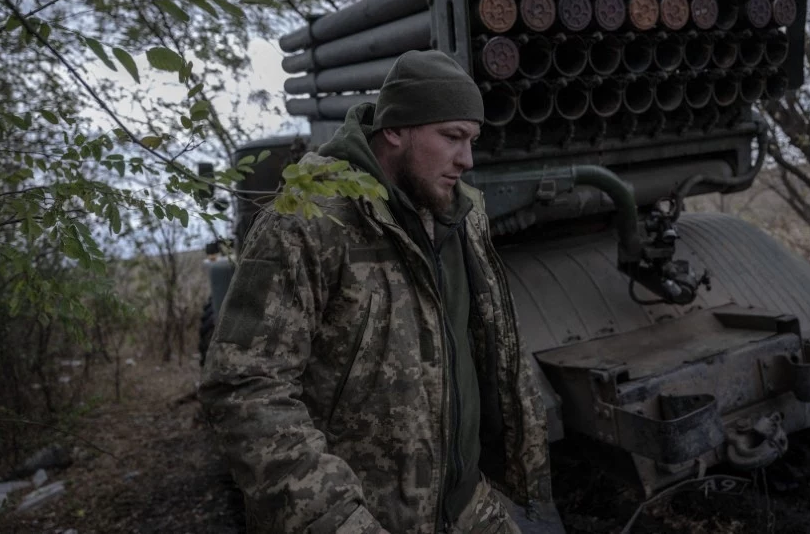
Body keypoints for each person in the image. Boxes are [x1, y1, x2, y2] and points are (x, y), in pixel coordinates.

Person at [199, 50, 564, 534]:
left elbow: (492, 355)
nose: (467, 160)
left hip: (469, 507)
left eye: (472, 139)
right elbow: (244, 386)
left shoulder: (463, 214)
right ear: (395, 130)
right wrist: (335, 519)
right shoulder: (309, 221)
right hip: (369, 519)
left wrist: (522, 476)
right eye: (452, 137)